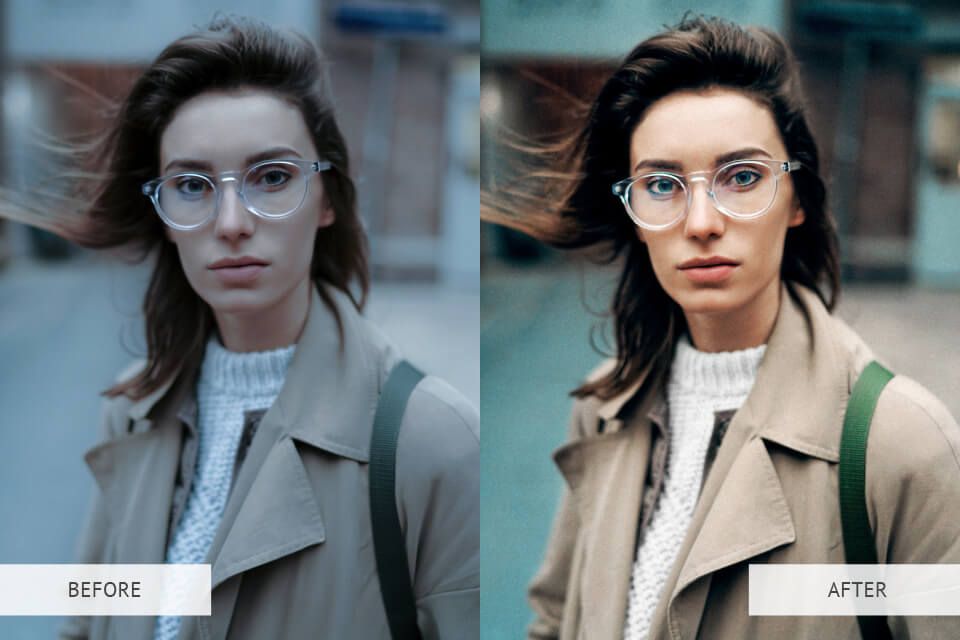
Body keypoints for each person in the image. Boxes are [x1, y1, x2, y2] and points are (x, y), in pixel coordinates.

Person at [482, 15, 960, 640]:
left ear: (798, 201)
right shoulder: (604, 406)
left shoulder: (897, 443)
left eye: (741, 177)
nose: (701, 221)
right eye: (661, 184)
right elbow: (554, 616)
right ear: (632, 214)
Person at [6, 16, 480, 640]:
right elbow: (89, 615)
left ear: (328, 199)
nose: (231, 221)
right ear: (164, 214)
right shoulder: (133, 408)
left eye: (273, 177)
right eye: (192, 185)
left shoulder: (433, 441)